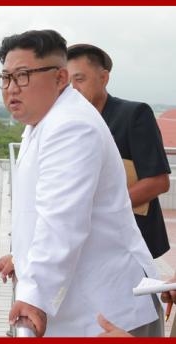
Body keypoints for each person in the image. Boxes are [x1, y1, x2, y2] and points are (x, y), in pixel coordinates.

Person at [0, 29, 162, 337]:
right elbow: (39, 210)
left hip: (110, 315)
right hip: (86, 308)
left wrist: (33, 296)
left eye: (23, 76)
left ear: (60, 78)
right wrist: (23, 257)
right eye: (5, 78)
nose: (11, 88)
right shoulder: (43, 123)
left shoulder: (72, 127)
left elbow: (61, 221)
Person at [67, 44, 171, 259]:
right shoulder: (68, 122)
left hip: (131, 239)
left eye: (79, 79)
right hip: (86, 240)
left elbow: (158, 181)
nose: (72, 88)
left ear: (103, 78)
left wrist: (98, 209)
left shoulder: (133, 115)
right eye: (66, 81)